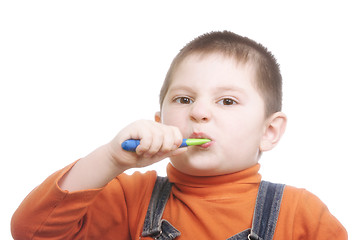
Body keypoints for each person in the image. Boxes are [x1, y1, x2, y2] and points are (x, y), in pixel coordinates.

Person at [11, 31, 347, 240]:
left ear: (269, 131)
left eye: (227, 101)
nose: (199, 112)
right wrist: (111, 158)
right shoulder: (131, 200)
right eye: (183, 99)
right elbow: (32, 232)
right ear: (159, 122)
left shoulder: (301, 213)